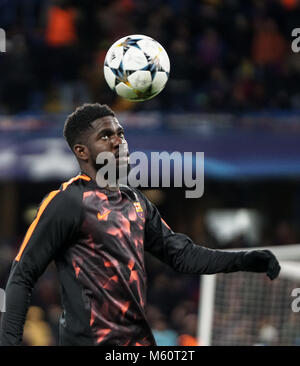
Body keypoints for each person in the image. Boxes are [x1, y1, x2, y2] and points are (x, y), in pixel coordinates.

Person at [0, 103, 281, 346]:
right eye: (105, 135)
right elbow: (22, 275)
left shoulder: (136, 201)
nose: (118, 140)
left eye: (120, 133)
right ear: (82, 151)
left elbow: (182, 255)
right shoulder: (67, 201)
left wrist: (244, 260)